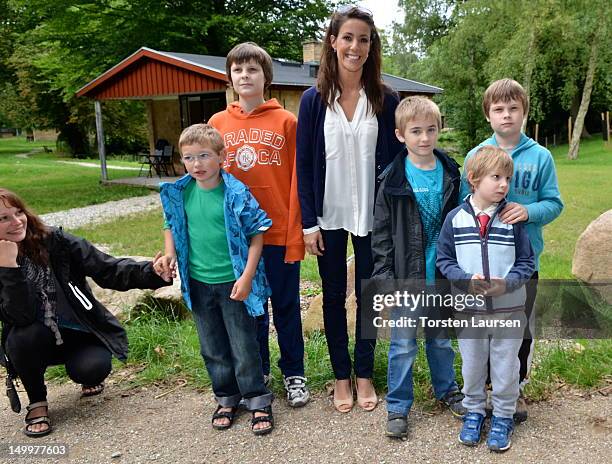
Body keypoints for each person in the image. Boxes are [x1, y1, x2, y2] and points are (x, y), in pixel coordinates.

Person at [296, 5, 404, 413]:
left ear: (370, 45)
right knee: (333, 297)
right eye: (348, 38)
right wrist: (308, 224)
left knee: (369, 297)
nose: (355, 46)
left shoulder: (386, 98)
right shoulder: (312, 100)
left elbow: (397, 165)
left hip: (372, 219)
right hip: (328, 216)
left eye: (363, 39)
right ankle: (341, 377)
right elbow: (304, 166)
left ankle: (364, 373)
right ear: (332, 42)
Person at [0, 188, 170, 437]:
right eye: (3, 218)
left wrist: (152, 272)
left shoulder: (55, 242)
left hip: (79, 331)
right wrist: (8, 267)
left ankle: (86, 374)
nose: (17, 222)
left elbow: (107, 269)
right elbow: (19, 316)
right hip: (34, 340)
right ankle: (37, 401)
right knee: (22, 335)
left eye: (18, 212)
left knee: (91, 368)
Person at [156, 124, 275, 435]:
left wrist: (248, 277)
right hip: (197, 282)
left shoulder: (235, 193)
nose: (197, 164)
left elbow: (257, 234)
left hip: (233, 283)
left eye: (205, 156)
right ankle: (226, 396)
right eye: (189, 158)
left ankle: (257, 398)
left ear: (222, 156)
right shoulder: (179, 192)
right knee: (212, 346)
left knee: (243, 344)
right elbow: (171, 224)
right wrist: (169, 254)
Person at [208, 42, 309, 408]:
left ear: (267, 76)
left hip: (279, 233)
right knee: (250, 310)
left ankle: (294, 373)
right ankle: (258, 371)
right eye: (238, 70)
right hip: (237, 239)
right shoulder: (218, 124)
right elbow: (207, 181)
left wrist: (297, 233)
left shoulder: (286, 121)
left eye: (252, 70)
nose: (245, 76)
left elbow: (300, 179)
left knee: (285, 308)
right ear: (230, 78)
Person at [460, 78, 563, 422]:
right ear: (488, 115)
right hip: (482, 263)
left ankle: (514, 389)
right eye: (499, 109)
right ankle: (484, 389)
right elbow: (464, 206)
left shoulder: (540, 156)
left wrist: (529, 211)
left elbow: (555, 203)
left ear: (524, 112)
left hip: (522, 262)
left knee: (518, 331)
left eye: (513, 109)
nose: (506, 115)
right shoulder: (476, 156)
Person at [371, 96, 466, 439]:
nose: (424, 138)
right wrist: (383, 280)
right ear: (400, 135)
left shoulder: (452, 173)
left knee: (440, 341)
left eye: (430, 130)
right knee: (403, 345)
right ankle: (397, 406)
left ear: (439, 130)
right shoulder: (392, 179)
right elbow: (380, 235)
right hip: (405, 280)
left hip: (441, 276)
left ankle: (448, 391)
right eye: (416, 132)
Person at [437, 146, 535, 452]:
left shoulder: (513, 219)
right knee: (473, 365)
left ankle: (504, 416)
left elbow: (526, 263)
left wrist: (507, 284)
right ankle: (475, 411)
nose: (504, 184)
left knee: (506, 366)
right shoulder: (454, 219)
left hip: (509, 309)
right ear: (474, 179)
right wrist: (465, 281)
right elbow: (444, 259)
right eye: (496, 177)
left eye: (507, 177)